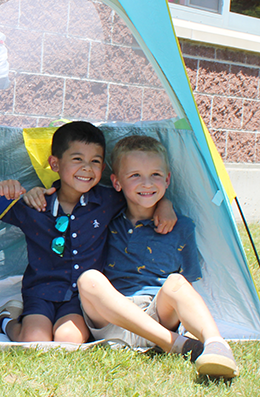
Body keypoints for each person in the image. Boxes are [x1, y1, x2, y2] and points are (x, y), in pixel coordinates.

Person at [0, 122, 176, 344]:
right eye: (77, 159)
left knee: (69, 340)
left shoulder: (107, 200)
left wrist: (165, 204)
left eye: (95, 161)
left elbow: (140, 195)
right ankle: (6, 319)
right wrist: (4, 189)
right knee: (34, 339)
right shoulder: (35, 204)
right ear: (55, 163)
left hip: (81, 299)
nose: (87, 168)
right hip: (41, 292)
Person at [76, 135, 238, 378]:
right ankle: (176, 344)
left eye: (155, 175)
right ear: (117, 182)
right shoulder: (106, 217)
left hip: (158, 313)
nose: (147, 183)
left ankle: (216, 344)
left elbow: (188, 286)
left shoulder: (182, 226)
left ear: (167, 179)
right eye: (135, 176)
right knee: (88, 279)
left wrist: (166, 204)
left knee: (177, 282)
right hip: (113, 319)